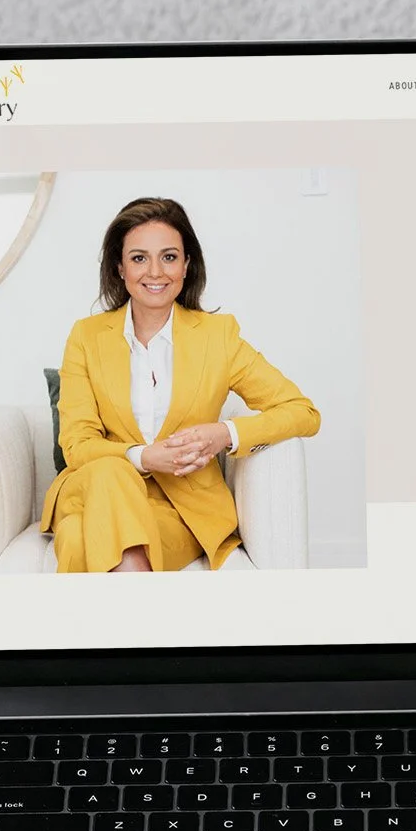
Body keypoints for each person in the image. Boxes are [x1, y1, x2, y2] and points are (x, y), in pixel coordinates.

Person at [41, 195, 319, 572]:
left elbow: (303, 412)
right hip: (94, 488)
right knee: (110, 471)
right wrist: (144, 457)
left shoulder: (218, 337)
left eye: (169, 257)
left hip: (181, 508)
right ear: (120, 267)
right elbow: (77, 444)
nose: (155, 272)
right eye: (139, 258)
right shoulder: (86, 337)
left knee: (77, 539)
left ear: (186, 265)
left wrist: (224, 434)